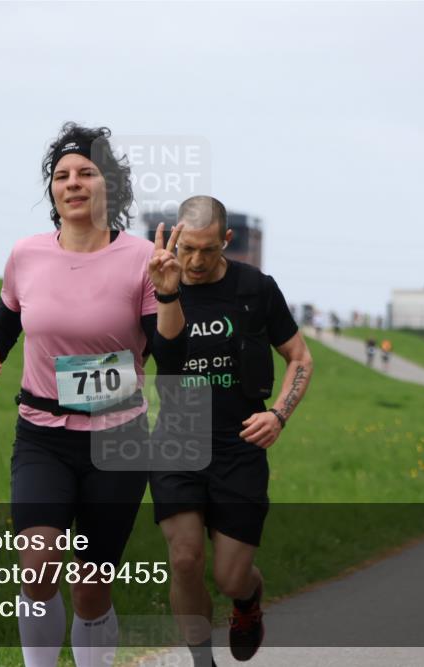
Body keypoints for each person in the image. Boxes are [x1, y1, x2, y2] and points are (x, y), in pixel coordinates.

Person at [0, 122, 187, 667]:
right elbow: (5, 320)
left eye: (86, 173)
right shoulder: (26, 255)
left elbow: (170, 353)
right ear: (52, 190)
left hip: (118, 436)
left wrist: (167, 294)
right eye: (62, 175)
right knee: (38, 564)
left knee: (91, 584)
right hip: (42, 435)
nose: (73, 183)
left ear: (108, 185)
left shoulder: (141, 258)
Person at [149, 196, 314, 666]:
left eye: (207, 250)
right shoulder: (153, 284)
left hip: (239, 444)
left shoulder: (255, 289)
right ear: (173, 238)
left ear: (227, 240)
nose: (196, 262)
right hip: (177, 439)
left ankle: (248, 600)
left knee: (229, 577)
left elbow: (299, 357)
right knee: (184, 559)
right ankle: (203, 660)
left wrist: (278, 414)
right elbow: (129, 357)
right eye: (187, 249)